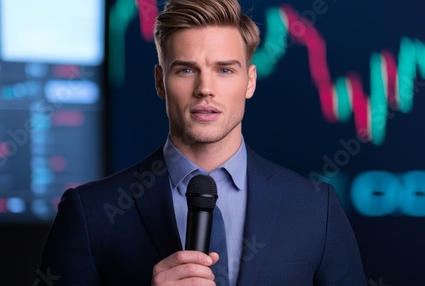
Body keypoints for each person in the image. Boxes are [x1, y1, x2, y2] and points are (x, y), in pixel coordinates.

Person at [38, 0, 367, 285]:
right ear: (160, 82)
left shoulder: (315, 208)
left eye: (224, 70)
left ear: (250, 81)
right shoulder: (89, 213)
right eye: (185, 70)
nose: (205, 88)